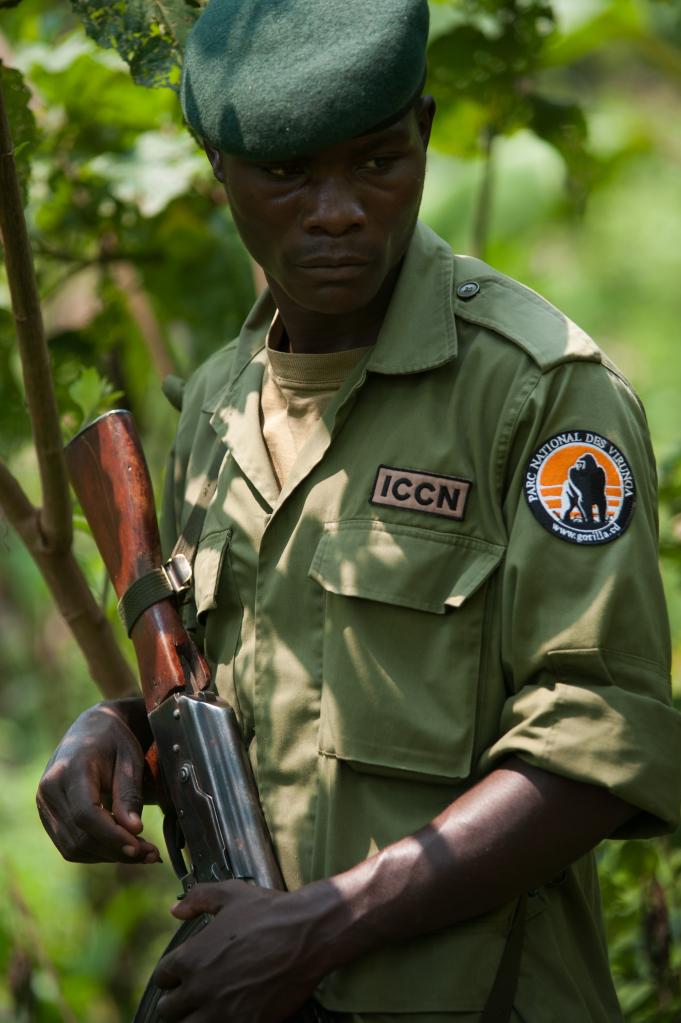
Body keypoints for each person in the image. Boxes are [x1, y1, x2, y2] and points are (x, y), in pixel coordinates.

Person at [36, 1, 681, 1021]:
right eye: (287, 174)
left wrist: (321, 927)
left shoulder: (539, 392)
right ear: (219, 169)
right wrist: (119, 732)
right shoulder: (214, 403)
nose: (336, 211)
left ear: (423, 132)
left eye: (377, 162)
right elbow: (257, 688)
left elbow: (599, 741)